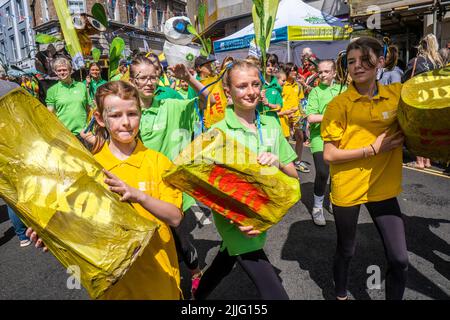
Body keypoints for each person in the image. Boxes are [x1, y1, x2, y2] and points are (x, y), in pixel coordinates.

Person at [28, 80, 184, 299]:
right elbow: (81, 225)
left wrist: (137, 195)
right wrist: (52, 233)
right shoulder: (88, 168)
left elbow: (175, 217)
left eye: (132, 113)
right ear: (100, 119)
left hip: (159, 280)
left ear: (141, 114)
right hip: (115, 288)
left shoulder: (158, 162)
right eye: (116, 115)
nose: (126, 122)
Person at [193, 60, 298, 300]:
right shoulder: (217, 132)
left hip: (263, 214)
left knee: (225, 260)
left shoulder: (271, 124)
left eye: (255, 84)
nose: (250, 91)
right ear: (228, 92)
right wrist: (237, 217)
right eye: (242, 86)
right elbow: (206, 189)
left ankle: (195, 298)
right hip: (237, 223)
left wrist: (278, 162)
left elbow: (292, 177)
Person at [321, 37, 408, 300]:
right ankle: (340, 294)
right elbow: (329, 154)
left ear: (381, 62)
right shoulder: (338, 105)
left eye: (365, 60)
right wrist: (372, 149)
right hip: (348, 187)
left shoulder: (398, 94)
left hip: (382, 188)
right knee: (347, 250)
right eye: (351, 62)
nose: (357, 66)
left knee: (400, 259)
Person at [306, 60, 346, 226]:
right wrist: (332, 116)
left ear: (334, 73)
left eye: (326, 71)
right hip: (319, 137)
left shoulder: (343, 89)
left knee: (337, 173)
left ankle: (332, 200)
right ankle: (317, 208)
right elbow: (311, 117)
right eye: (320, 71)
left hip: (340, 137)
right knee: (323, 173)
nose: (322, 75)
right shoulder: (315, 91)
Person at [403, 34, 444, 170]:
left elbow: (406, 78)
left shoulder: (417, 61)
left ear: (422, 45)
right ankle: (427, 161)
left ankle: (420, 161)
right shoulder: (438, 62)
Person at [45, 57, 90, 140]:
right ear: (55, 72)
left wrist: (89, 126)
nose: (62, 72)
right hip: (65, 135)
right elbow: (50, 114)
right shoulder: (52, 90)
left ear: (70, 70)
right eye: (59, 70)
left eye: (64, 70)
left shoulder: (82, 86)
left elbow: (88, 108)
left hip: (84, 132)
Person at [278, 63, 309, 173]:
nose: (294, 72)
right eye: (291, 70)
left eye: (295, 70)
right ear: (286, 72)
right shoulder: (281, 84)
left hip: (297, 116)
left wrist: (303, 114)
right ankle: (284, 163)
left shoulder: (298, 85)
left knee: (300, 137)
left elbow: (300, 100)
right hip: (284, 115)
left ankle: (298, 161)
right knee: (285, 140)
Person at [259, 53, 283, 122]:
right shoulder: (256, 84)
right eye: (267, 65)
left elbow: (279, 107)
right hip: (259, 122)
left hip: (273, 122)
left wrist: (268, 104)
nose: (270, 68)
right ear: (261, 67)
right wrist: (258, 98)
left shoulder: (276, 86)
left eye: (272, 65)